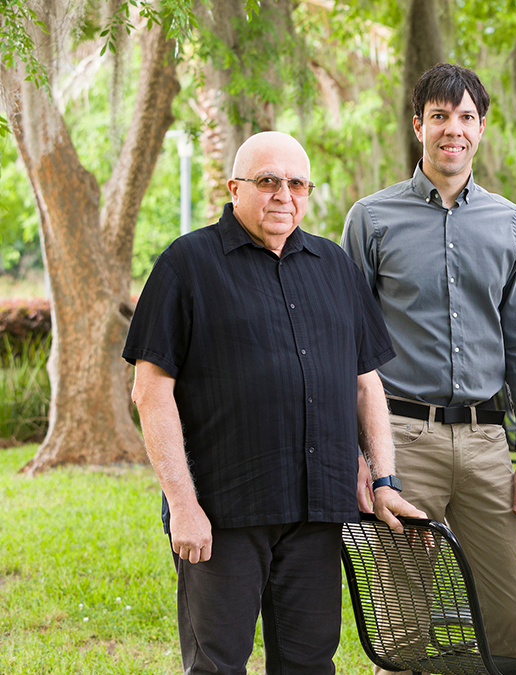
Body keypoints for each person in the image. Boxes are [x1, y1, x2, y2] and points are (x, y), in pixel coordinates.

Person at [125, 131, 425, 675]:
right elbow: (150, 392)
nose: (282, 194)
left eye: (296, 183)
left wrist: (384, 480)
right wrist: (183, 505)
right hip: (222, 511)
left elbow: (366, 384)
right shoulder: (186, 265)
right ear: (234, 187)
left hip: (316, 512)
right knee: (218, 664)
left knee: (309, 663)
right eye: (267, 181)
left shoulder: (335, 267)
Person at [341, 63, 516, 662]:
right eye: (439, 116)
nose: (452, 129)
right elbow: (347, 347)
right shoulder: (372, 219)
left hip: (486, 444)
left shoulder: (508, 222)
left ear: (481, 128)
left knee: (507, 610)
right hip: (401, 440)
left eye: (465, 117)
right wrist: (359, 456)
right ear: (418, 126)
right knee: (402, 619)